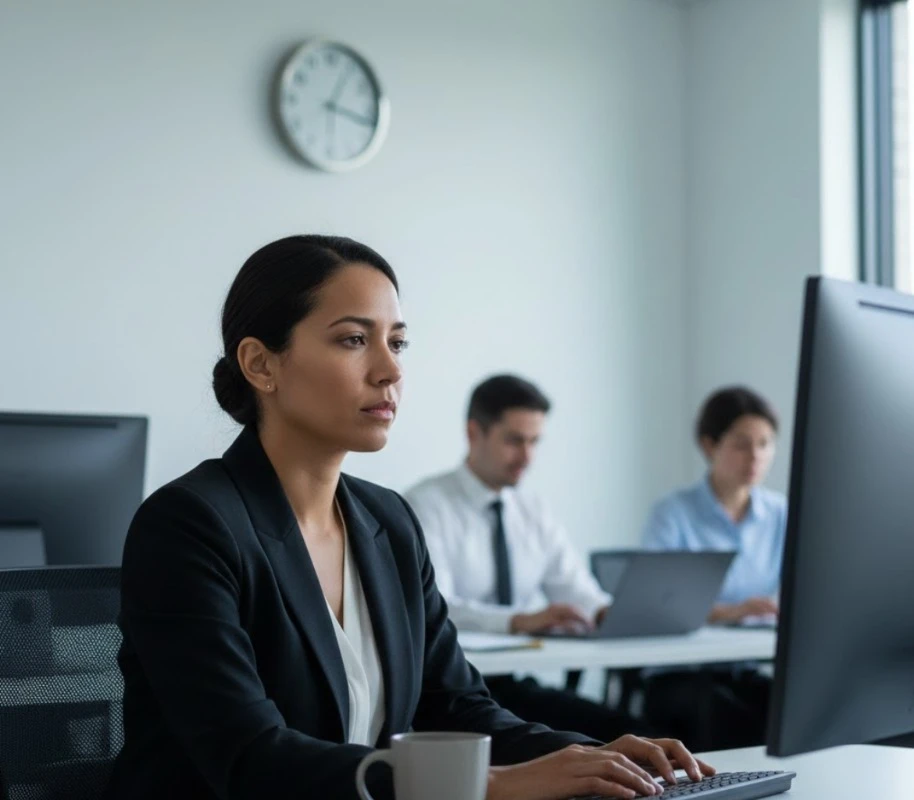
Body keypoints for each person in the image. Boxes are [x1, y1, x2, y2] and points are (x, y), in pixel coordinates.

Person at [104, 236, 713, 800]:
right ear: (261, 365)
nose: (390, 371)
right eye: (353, 340)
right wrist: (486, 786)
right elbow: (250, 759)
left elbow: (458, 707)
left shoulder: (387, 521)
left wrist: (596, 756)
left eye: (396, 342)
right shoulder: (190, 526)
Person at [404, 374, 654, 742]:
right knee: (583, 742)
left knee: (634, 733)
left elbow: (574, 588)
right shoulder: (425, 506)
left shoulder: (532, 508)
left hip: (514, 684)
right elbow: (437, 611)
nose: (527, 457)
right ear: (474, 433)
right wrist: (520, 621)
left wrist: (605, 612)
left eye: (535, 442)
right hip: (454, 696)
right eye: (514, 441)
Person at [639, 386, 786, 751]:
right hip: (679, 674)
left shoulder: (780, 514)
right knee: (731, 716)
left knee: (790, 707)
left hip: (743, 666)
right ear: (709, 445)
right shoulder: (673, 513)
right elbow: (655, 605)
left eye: (765, 444)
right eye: (742, 444)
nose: (755, 456)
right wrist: (730, 612)